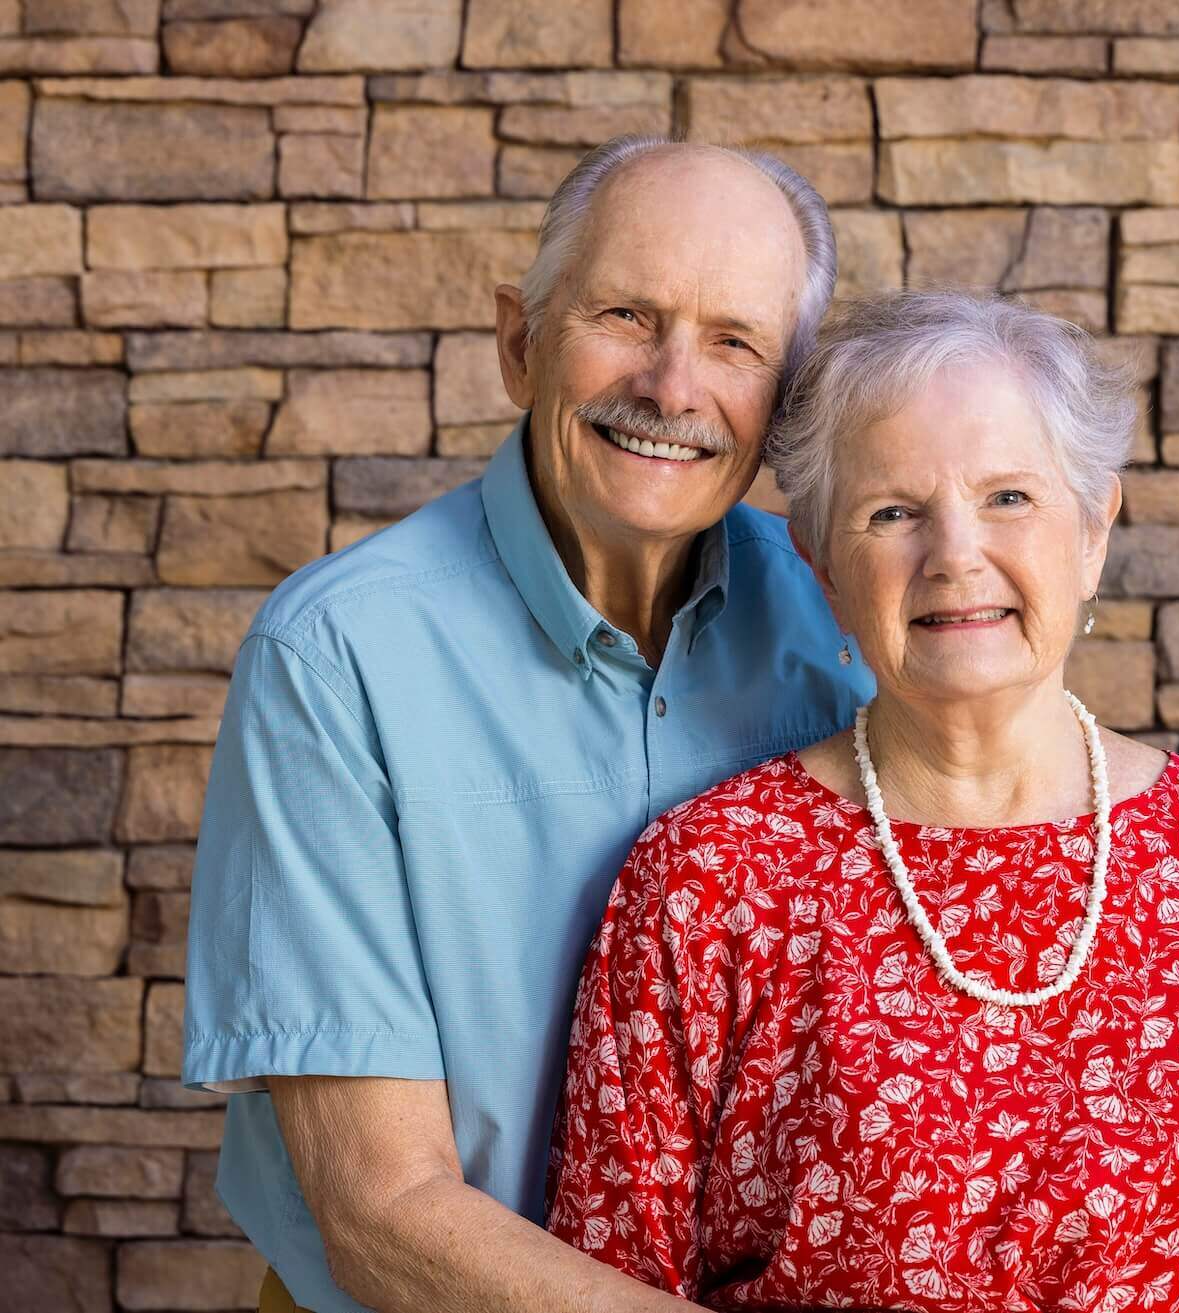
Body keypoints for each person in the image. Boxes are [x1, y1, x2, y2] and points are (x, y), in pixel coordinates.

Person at [546, 291, 1179, 1313]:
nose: (955, 554)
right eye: (893, 511)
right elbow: (602, 1286)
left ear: (1094, 527)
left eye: (1010, 497)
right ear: (823, 565)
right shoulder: (711, 877)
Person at [180, 135, 875, 1313]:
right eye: (624, 314)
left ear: (789, 399)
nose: (670, 385)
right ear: (521, 343)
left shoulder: (854, 626)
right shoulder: (337, 659)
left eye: (734, 341)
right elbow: (382, 1209)